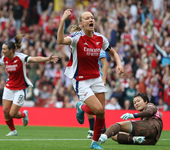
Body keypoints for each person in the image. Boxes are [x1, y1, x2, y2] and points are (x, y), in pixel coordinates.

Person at [57, 9, 124, 149]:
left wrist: (119, 64)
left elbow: (113, 52)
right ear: (81, 23)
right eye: (87, 18)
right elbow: (60, 40)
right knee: (98, 110)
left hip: (96, 78)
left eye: (92, 17)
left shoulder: (100, 38)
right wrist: (63, 20)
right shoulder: (76, 37)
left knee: (101, 112)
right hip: (81, 80)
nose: (91, 20)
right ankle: (80, 107)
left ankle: (94, 143)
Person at [0, 34, 58, 136]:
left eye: (4, 49)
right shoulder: (4, 58)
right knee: (5, 111)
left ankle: (23, 114)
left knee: (12, 114)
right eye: (2, 49)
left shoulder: (20, 57)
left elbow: (34, 59)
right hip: (9, 86)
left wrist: (47, 59)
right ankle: (13, 131)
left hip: (20, 88)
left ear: (11, 50)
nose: (2, 51)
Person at [69, 25, 109, 139]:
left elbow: (105, 63)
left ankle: (97, 128)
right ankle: (92, 128)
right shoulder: (78, 44)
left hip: (97, 77)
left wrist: (104, 78)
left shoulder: (98, 45)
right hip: (84, 79)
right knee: (94, 106)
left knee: (99, 108)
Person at [99, 93, 163, 145]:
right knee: (113, 135)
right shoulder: (143, 118)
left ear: (146, 101)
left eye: (138, 101)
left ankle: (104, 136)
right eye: (134, 103)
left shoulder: (150, 105)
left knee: (119, 125)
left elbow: (149, 112)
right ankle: (135, 139)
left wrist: (134, 115)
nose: (136, 104)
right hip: (151, 141)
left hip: (152, 127)